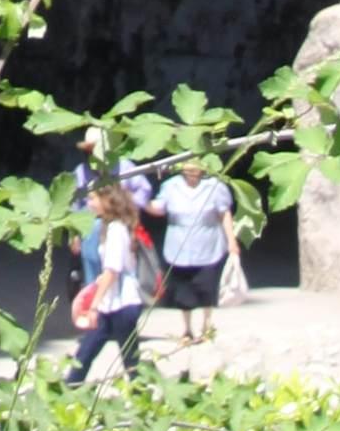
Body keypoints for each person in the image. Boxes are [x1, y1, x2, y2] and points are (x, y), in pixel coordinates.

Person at [156, 146, 242, 346]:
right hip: (178, 245)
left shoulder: (215, 186)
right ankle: (186, 329)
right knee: (182, 290)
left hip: (207, 243)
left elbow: (224, 213)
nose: (192, 174)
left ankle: (207, 324)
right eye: (188, 170)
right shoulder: (170, 186)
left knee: (206, 287)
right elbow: (159, 207)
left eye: (196, 170)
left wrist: (232, 240)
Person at [69, 178, 152, 383]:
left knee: (129, 360)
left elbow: (112, 271)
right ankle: (68, 389)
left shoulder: (116, 229)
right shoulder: (109, 227)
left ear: (107, 200)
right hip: (111, 305)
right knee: (86, 354)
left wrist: (94, 305)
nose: (89, 204)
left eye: (92, 199)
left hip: (121, 304)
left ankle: (142, 395)